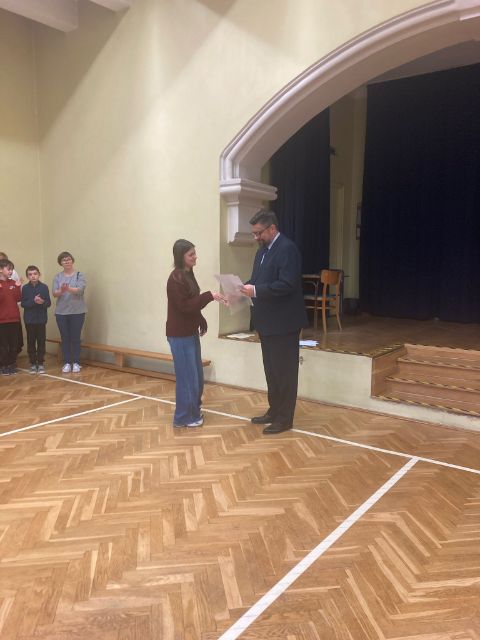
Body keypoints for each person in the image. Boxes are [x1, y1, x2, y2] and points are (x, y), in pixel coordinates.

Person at [240, 209, 308, 434]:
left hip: (284, 324)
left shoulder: (287, 249)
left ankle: (284, 419)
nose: (256, 237)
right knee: (271, 370)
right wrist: (241, 288)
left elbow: (287, 284)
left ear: (272, 228)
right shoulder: (261, 251)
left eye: (259, 233)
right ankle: (274, 410)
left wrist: (256, 290)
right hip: (267, 322)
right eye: (254, 233)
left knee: (285, 372)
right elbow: (257, 281)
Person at [166, 239, 225, 428]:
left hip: (189, 333)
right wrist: (210, 296)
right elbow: (184, 306)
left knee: (196, 377)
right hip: (179, 335)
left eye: (194, 253)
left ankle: (193, 411)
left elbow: (192, 302)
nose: (195, 257)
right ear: (181, 257)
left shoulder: (188, 274)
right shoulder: (175, 279)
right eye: (191, 254)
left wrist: (200, 319)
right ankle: (183, 417)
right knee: (187, 378)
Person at [52, 251, 87, 374]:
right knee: (65, 338)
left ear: (72, 260)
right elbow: (54, 293)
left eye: (68, 259)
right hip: (61, 313)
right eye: (64, 260)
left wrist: (68, 288)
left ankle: (76, 362)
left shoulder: (79, 275)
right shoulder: (57, 277)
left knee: (75, 337)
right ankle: (67, 362)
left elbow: (80, 290)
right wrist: (62, 290)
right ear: (60, 263)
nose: (66, 261)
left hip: (78, 311)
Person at [21, 265, 51, 374]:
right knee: (31, 341)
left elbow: (48, 303)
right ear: (27, 276)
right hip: (29, 320)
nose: (33, 276)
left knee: (41, 341)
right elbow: (23, 304)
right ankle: (33, 363)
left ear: (39, 275)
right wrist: (33, 301)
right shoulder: (25, 288)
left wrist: (42, 302)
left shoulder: (44, 287)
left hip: (41, 319)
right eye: (30, 274)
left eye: (35, 274)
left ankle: (41, 363)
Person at [0, 258, 22, 375]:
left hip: (14, 319)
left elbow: (18, 298)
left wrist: (17, 287)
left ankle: (12, 364)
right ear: (0, 269)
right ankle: (3, 365)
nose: (11, 271)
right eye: (8, 269)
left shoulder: (13, 283)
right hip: (2, 321)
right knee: (3, 346)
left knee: (14, 344)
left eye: (12, 269)